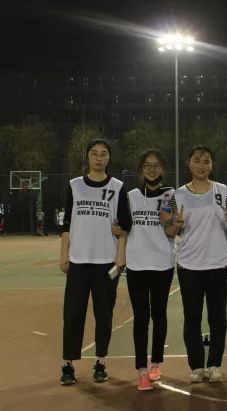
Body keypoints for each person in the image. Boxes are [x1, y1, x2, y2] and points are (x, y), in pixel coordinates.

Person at [59, 138, 127, 386]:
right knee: (73, 314)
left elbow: (124, 226)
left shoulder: (118, 187)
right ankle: (68, 365)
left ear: (109, 157)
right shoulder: (74, 185)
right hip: (78, 261)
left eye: (103, 154)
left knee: (104, 315)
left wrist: (120, 256)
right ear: (88, 156)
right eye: (94, 153)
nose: (99, 157)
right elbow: (66, 223)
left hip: (107, 263)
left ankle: (101, 362)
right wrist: (64, 253)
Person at [171, 145, 227, 383]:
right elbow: (171, 229)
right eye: (197, 161)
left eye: (206, 161)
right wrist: (176, 224)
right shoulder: (177, 195)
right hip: (189, 264)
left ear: (212, 164)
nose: (202, 166)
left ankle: (215, 364)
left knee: (218, 318)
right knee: (192, 317)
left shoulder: (223, 191)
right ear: (189, 163)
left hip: (218, 263)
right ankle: (197, 366)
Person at [116, 149, 175, 391]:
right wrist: (119, 247)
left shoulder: (170, 194)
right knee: (140, 318)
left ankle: (155, 363)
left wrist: (172, 221)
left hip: (162, 264)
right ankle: (141, 370)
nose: (152, 169)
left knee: (159, 315)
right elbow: (124, 228)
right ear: (141, 169)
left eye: (156, 165)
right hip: (137, 265)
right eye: (147, 165)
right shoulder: (130, 196)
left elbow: (173, 229)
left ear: (162, 169)